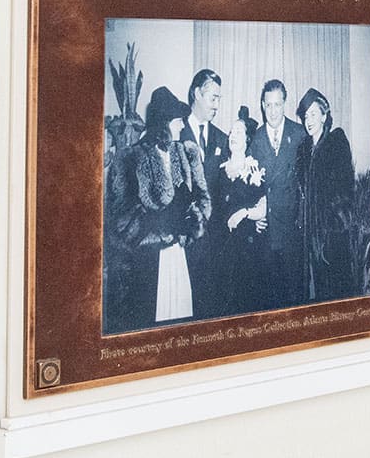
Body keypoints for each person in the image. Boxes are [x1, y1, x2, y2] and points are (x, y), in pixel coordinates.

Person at [108, 86, 211, 331]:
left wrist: (190, 221)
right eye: (178, 121)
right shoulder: (129, 158)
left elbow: (201, 198)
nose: (182, 126)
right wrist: (161, 226)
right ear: (164, 124)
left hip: (178, 254)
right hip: (147, 260)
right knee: (150, 323)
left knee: (180, 320)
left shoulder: (183, 153)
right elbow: (121, 218)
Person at [249, 79, 305, 309]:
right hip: (266, 232)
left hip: (292, 231)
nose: (273, 111)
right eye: (268, 105)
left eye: (277, 105)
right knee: (269, 302)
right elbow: (250, 188)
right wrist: (255, 215)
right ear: (263, 105)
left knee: (294, 298)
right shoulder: (255, 139)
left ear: (284, 104)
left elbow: (306, 184)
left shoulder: (300, 134)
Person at [296, 87, 355, 304]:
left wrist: (332, 227)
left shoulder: (335, 142)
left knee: (336, 293)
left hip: (332, 236)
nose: (308, 120)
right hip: (309, 237)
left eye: (313, 114)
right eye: (305, 116)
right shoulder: (304, 149)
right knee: (315, 294)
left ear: (323, 116)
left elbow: (345, 190)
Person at [180, 68, 226, 318]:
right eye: (213, 98)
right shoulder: (176, 135)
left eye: (219, 98)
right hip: (185, 242)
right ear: (197, 93)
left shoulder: (222, 139)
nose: (217, 105)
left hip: (216, 244)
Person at [216, 107, 269, 316]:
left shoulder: (253, 169)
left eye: (238, 132)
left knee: (247, 303)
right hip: (223, 247)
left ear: (247, 139)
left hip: (248, 249)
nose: (232, 136)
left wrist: (245, 213)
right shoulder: (219, 170)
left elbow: (264, 207)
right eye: (231, 132)